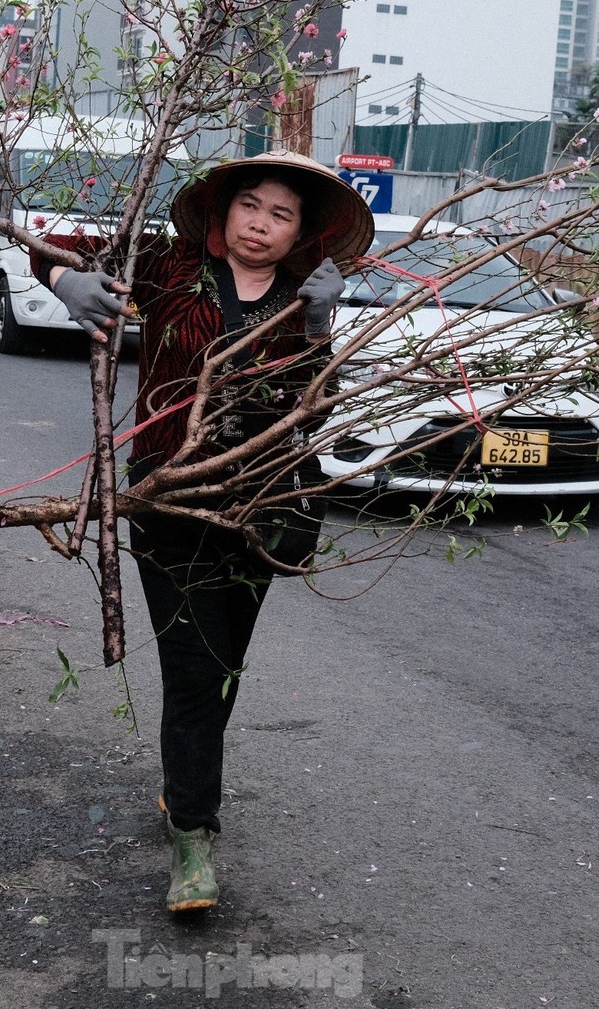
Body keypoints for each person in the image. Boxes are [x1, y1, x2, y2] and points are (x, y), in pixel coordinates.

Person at [39, 151, 373, 913]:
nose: (261, 223)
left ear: (301, 235)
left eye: (281, 214)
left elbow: (311, 416)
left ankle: (183, 784)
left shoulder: (300, 302)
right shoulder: (169, 266)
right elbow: (51, 243)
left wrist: (320, 326)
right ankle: (194, 835)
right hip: (169, 501)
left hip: (256, 512)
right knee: (196, 670)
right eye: (250, 205)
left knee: (222, 667)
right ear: (223, 210)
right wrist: (67, 283)